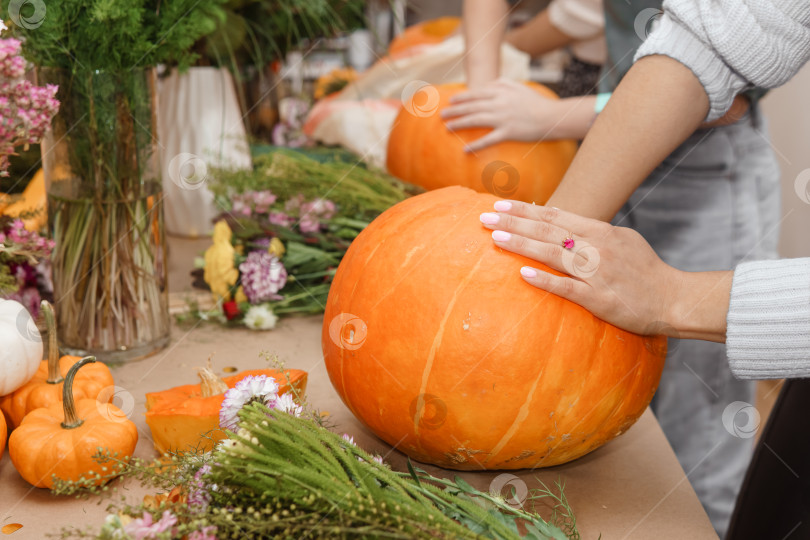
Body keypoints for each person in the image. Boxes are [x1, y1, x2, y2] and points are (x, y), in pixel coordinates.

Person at [458, 1, 784, 534]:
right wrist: (481, 87)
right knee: (626, 379)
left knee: (699, 423)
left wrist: (550, 117)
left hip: (702, 170)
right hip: (615, 148)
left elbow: (722, 95)